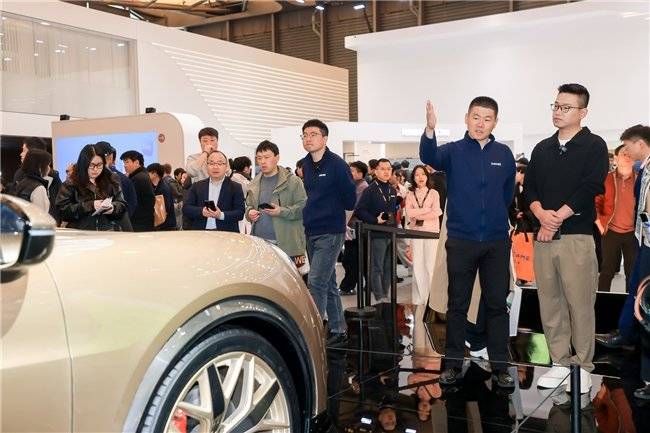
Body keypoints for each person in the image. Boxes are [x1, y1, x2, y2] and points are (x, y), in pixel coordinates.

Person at [419, 96, 516, 388]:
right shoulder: (453, 151)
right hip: (461, 241)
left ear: (495, 122)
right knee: (457, 304)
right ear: (466, 118)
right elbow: (429, 156)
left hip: (496, 242)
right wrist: (430, 129)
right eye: (476, 117)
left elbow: (507, 194)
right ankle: (452, 364)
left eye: (487, 119)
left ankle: (500, 366)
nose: (480, 124)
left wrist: (494, 220)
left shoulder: (504, 154)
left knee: (497, 305)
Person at [524, 83, 609, 393]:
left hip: (576, 237)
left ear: (583, 112)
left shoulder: (594, 146)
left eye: (566, 107)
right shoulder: (542, 148)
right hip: (544, 237)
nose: (558, 112)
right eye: (556, 106)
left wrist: (556, 217)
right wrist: (540, 214)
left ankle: (583, 365)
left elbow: (591, 187)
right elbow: (529, 187)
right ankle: (559, 362)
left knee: (580, 304)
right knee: (550, 303)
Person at [301, 119, 356, 347]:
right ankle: (338, 328)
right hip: (310, 230)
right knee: (328, 281)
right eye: (304, 135)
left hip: (331, 231)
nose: (308, 138)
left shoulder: (337, 165)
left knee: (316, 281)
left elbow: (350, 199)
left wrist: (339, 221)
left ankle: (315, 335)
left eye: (313, 134)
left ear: (324, 138)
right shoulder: (305, 164)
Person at [598, 125, 650, 351]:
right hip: (630, 236)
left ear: (640, 144)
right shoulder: (615, 177)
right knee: (619, 277)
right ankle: (627, 332)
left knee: (638, 285)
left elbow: (645, 209)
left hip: (641, 239)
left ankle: (633, 334)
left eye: (628, 147)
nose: (627, 152)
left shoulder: (644, 172)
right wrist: (601, 224)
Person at [246, 141, 307, 263]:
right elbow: (249, 205)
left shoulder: (293, 181)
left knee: (292, 275)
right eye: (259, 158)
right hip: (261, 243)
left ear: (277, 158)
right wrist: (249, 213)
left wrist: (281, 211)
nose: (262, 161)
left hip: (288, 245)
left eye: (267, 157)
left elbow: (303, 208)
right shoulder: (254, 183)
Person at [354, 159, 399, 303]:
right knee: (377, 267)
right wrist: (374, 220)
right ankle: (379, 297)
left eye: (388, 169)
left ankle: (385, 295)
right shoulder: (370, 189)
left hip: (391, 233)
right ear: (376, 171)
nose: (386, 172)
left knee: (389, 267)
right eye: (383, 169)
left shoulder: (392, 190)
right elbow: (359, 210)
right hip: (377, 233)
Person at [56, 144, 130, 231]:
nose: (95, 169)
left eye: (99, 165)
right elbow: (62, 211)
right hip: (80, 234)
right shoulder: (71, 184)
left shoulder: (111, 179)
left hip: (107, 233)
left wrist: (112, 208)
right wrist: (90, 205)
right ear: (83, 164)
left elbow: (122, 205)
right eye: (91, 165)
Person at [595, 144, 638, 292]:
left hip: (633, 233)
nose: (627, 156)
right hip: (610, 231)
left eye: (630, 154)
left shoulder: (641, 179)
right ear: (616, 158)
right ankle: (602, 300)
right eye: (624, 154)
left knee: (631, 272)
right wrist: (600, 224)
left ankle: (629, 302)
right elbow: (596, 203)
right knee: (607, 270)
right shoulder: (606, 179)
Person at [405, 165, 442, 307]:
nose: (420, 177)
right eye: (417, 175)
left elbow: (437, 212)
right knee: (417, 266)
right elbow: (409, 213)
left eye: (423, 174)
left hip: (431, 233)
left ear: (427, 176)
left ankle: (431, 299)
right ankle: (420, 298)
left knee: (430, 266)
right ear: (413, 178)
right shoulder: (410, 194)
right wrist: (426, 210)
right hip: (415, 232)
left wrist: (418, 213)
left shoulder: (433, 193)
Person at [183, 150, 244, 232]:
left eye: (220, 163)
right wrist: (201, 212)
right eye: (211, 163)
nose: (215, 167)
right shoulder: (197, 186)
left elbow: (240, 213)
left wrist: (221, 215)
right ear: (206, 166)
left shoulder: (235, 187)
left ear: (226, 167)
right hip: (201, 233)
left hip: (226, 234)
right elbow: (186, 208)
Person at [9, 136, 62, 221]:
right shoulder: (20, 174)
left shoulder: (53, 176)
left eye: (24, 150)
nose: (21, 154)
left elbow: (58, 203)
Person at [339, 161, 369, 295]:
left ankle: (348, 286)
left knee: (351, 258)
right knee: (352, 257)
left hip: (356, 227)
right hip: (352, 226)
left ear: (360, 173)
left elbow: (353, 207)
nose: (349, 173)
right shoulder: (354, 186)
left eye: (352, 170)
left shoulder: (362, 187)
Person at [94, 141, 138, 218]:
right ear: (111, 157)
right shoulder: (123, 178)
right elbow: (132, 203)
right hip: (119, 221)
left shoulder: (90, 178)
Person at [120, 150, 155, 232]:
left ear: (136, 162)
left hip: (139, 223)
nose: (125, 165)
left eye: (127, 162)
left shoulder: (138, 178)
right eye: (124, 163)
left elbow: (131, 200)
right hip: (144, 221)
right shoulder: (142, 175)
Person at [147, 163, 177, 230]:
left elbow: (165, 208)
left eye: (148, 173)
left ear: (155, 174)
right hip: (162, 224)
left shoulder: (164, 188)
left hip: (166, 226)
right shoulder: (155, 186)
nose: (147, 175)